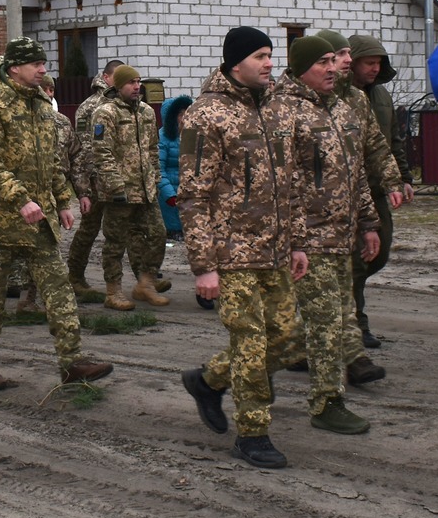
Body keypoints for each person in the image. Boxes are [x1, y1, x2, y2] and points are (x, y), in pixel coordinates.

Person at [177, 27, 307, 466]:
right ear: (236, 63)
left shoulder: (277, 110)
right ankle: (253, 433)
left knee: (288, 341)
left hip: (275, 249)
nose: (270, 63)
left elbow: (290, 184)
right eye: (260, 56)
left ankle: (209, 381)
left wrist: (297, 243)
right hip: (231, 253)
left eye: (271, 55)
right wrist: (203, 265)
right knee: (250, 344)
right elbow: (193, 194)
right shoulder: (205, 115)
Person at [0, 38, 113, 391]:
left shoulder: (41, 105)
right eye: (36, 64)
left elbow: (52, 160)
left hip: (38, 219)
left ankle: (72, 361)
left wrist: (62, 200)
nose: (44, 69)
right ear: (15, 67)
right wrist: (20, 198)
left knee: (58, 287)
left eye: (44, 63)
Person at [280, 36, 381, 434]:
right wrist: (297, 239)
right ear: (302, 68)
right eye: (322, 62)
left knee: (338, 319)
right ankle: (327, 402)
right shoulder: (284, 112)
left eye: (333, 60)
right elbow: (281, 184)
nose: (332, 67)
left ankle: (211, 379)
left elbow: (354, 173)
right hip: (309, 238)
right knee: (323, 323)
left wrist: (368, 223)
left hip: (341, 235)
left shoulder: (341, 108)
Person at [338, 35, 411, 352]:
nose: (375, 68)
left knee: (378, 254)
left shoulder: (380, 96)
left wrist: (403, 177)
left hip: (377, 190)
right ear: (353, 63)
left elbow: (391, 140)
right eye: (370, 62)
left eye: (379, 63)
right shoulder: (338, 96)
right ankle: (356, 325)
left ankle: (342, 308)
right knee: (353, 259)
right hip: (347, 192)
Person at [87, 64, 167, 311]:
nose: (136, 87)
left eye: (138, 82)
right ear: (118, 86)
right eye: (131, 83)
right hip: (118, 192)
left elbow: (153, 148)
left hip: (145, 190)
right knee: (115, 243)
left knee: (158, 234)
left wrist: (154, 178)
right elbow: (102, 152)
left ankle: (145, 283)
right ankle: (113, 291)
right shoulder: (105, 113)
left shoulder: (146, 112)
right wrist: (114, 186)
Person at [65, 59, 123, 289]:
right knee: (89, 229)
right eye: (118, 77)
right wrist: (86, 185)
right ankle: (75, 275)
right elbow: (82, 146)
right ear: (106, 78)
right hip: (96, 178)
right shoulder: (90, 106)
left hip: (119, 177)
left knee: (122, 229)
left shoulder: (124, 103)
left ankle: (142, 279)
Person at [157, 95, 191, 240]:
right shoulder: (162, 138)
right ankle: (172, 229)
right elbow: (158, 168)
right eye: (180, 114)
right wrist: (169, 194)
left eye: (187, 113)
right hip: (170, 189)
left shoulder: (191, 135)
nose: (184, 118)